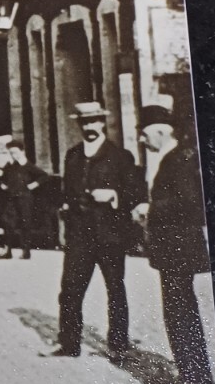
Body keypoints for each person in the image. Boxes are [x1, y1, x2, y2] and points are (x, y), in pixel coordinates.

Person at [48, 102, 145, 358]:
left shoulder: (120, 156)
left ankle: (118, 345)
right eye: (84, 122)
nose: (89, 126)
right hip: (79, 235)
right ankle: (69, 344)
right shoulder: (73, 155)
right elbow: (66, 192)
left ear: (102, 122)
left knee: (115, 289)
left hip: (110, 234)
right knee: (70, 289)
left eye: (93, 121)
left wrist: (113, 195)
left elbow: (134, 193)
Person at [132, 104, 215, 384]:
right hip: (175, 249)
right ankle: (193, 375)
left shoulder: (178, 159)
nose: (142, 140)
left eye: (144, 134)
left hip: (178, 249)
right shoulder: (176, 157)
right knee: (180, 311)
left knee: (179, 313)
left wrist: (150, 208)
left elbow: (190, 202)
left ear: (160, 130)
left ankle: (195, 379)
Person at [0, 140, 46, 259]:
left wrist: (33, 185)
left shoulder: (28, 165)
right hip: (11, 198)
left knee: (25, 223)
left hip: (25, 198)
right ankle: (8, 250)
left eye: (15, 152)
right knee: (8, 222)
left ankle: (26, 250)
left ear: (22, 151)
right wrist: (3, 184)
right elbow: (3, 178)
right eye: (11, 152)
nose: (13, 155)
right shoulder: (10, 166)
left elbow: (43, 176)